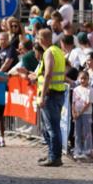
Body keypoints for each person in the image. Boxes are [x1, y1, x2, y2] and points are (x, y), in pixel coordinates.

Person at [34, 28, 67, 167]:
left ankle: (54, 157)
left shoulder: (49, 52)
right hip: (57, 93)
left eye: (37, 38)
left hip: (50, 95)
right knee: (49, 128)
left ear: (42, 40)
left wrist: (42, 96)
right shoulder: (58, 50)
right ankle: (52, 154)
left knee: (52, 128)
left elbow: (48, 74)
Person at [71, 69, 93, 160]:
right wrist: (74, 113)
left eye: (85, 78)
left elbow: (88, 103)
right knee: (77, 132)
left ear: (88, 79)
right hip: (77, 114)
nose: (83, 80)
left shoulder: (90, 90)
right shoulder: (76, 90)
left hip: (86, 113)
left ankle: (87, 150)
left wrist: (80, 112)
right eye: (81, 78)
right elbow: (73, 102)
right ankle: (78, 149)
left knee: (86, 132)